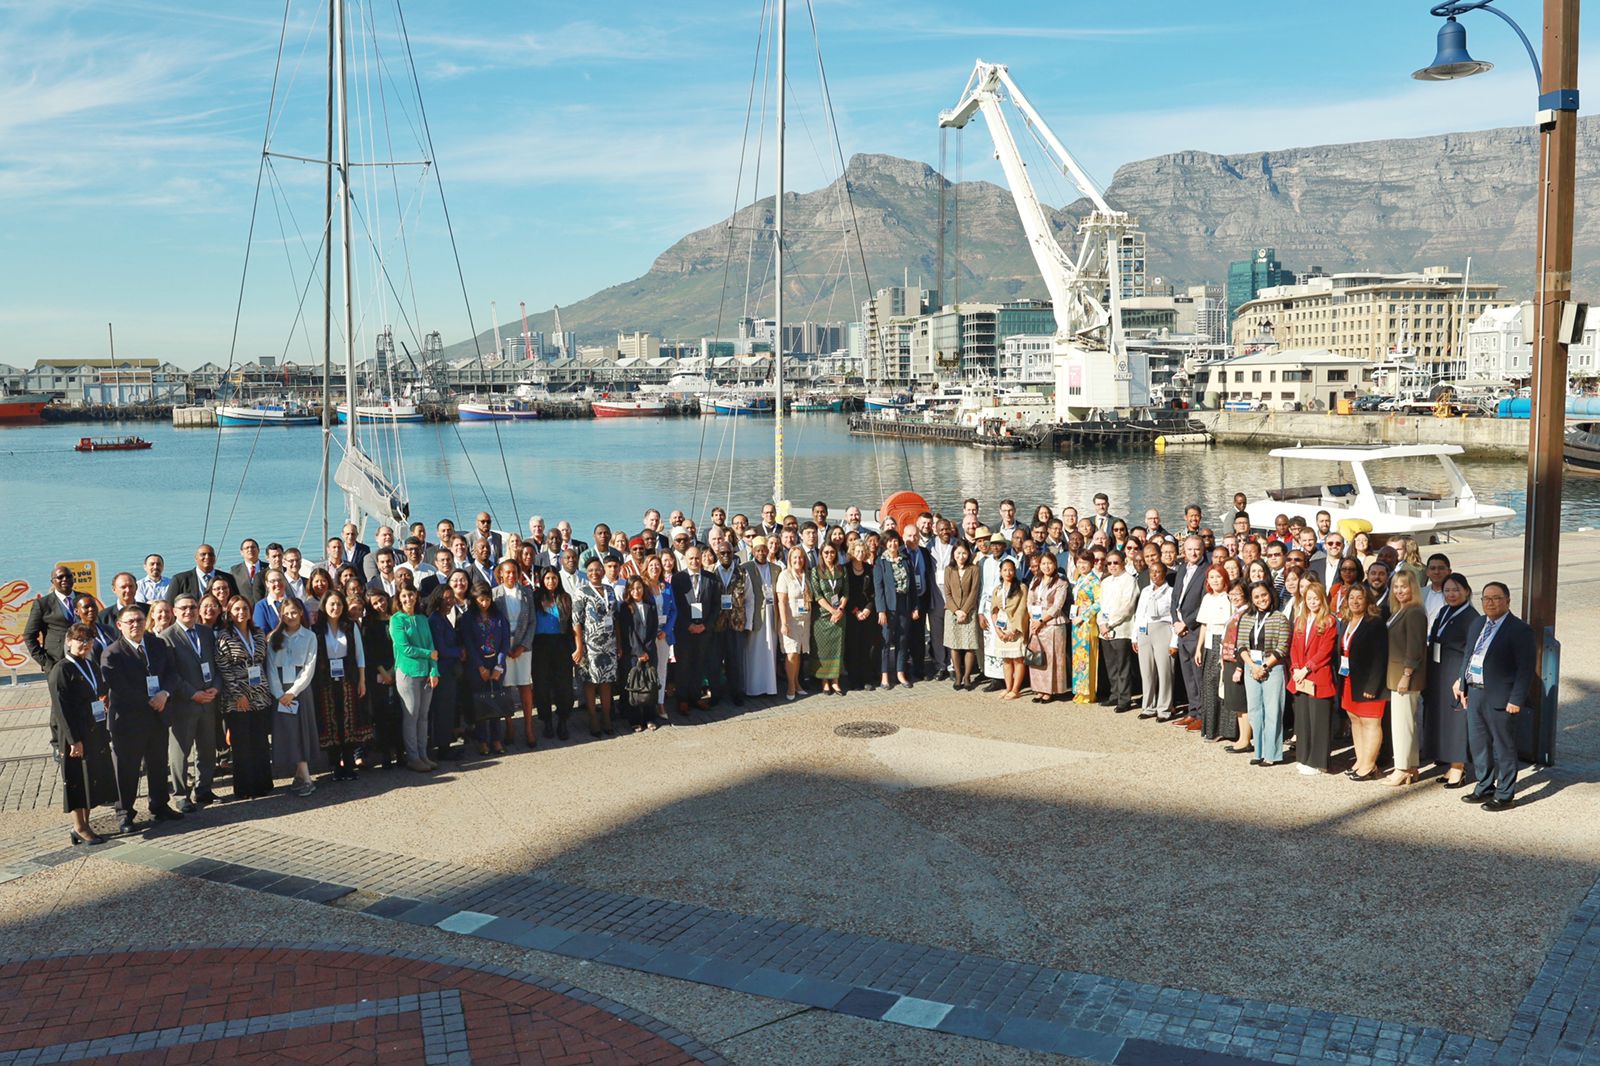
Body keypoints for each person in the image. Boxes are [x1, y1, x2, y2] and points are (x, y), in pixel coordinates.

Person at [1455, 582, 1536, 810]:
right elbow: (1468, 656)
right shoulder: (1478, 623)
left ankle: (1505, 793)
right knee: (1479, 744)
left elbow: (1526, 668)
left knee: (1504, 746)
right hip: (1475, 693)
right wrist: (1463, 684)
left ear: (1508, 601)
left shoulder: (1520, 629)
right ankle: (1484, 785)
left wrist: (1516, 700)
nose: (1490, 603)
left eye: (1496, 598)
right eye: (1486, 598)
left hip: (1502, 698)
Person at [50, 623, 117, 844]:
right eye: (80, 639)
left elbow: (99, 690)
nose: (84, 644)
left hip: (94, 729)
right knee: (77, 779)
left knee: (90, 778)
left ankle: (86, 823)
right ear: (69, 641)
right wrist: (73, 740)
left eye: (88, 640)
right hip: (75, 733)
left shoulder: (89, 665)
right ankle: (79, 826)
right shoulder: (61, 669)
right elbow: (61, 709)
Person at [161, 593, 222, 811]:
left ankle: (203, 789)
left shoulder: (206, 633)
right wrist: (192, 693)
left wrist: (216, 686)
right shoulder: (167, 636)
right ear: (175, 611)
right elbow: (171, 674)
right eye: (184, 608)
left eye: (193, 607)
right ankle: (180, 795)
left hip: (209, 699)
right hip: (184, 703)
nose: (189, 611)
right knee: (180, 751)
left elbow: (216, 663)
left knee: (207, 748)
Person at [1423, 573, 1478, 787]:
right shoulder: (1445, 611)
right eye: (1447, 591)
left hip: (1456, 671)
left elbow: (1472, 652)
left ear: (1466, 591)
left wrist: (1461, 679)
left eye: (1456, 590)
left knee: (1456, 721)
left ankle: (1458, 767)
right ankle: (1449, 765)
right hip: (1439, 670)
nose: (1451, 594)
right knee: (1443, 720)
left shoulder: (1472, 617)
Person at [216, 596, 274, 798]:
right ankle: (245, 788)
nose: (242, 612)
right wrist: (238, 694)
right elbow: (224, 668)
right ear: (229, 613)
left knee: (260, 741)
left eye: (245, 609)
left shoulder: (258, 634)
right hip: (237, 698)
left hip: (260, 695)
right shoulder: (224, 636)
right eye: (237, 609)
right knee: (242, 745)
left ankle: (263, 784)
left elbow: (264, 661)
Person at [312, 591, 371, 781]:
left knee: (349, 721)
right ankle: (336, 766)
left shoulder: (350, 626)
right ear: (324, 606)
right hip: (325, 681)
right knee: (330, 723)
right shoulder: (317, 629)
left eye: (338, 604)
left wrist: (362, 680)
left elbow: (360, 654)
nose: (335, 608)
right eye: (331, 604)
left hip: (348, 679)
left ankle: (349, 763)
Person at [266, 598, 319, 796]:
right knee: (288, 731)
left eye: (294, 612)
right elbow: (270, 667)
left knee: (301, 730)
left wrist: (293, 692)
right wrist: (280, 693)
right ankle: (300, 775)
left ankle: (305, 777)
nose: (290, 616)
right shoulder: (274, 638)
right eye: (286, 613)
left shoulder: (309, 637)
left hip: (300, 690)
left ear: (301, 613)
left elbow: (309, 667)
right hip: (280, 690)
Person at [1339, 584, 1389, 781]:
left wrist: (1372, 686)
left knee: (1370, 722)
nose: (1355, 601)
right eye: (1351, 598)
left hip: (1369, 683)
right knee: (1355, 720)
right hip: (1350, 680)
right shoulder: (1347, 621)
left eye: (1359, 598)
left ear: (1367, 600)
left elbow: (1380, 657)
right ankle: (1360, 761)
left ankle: (1369, 765)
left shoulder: (1374, 623)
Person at [1237, 581, 1290, 766]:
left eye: (1264, 595)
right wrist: (1253, 666)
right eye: (1257, 597)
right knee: (1254, 711)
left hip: (1272, 668)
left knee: (1273, 711)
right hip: (1251, 667)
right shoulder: (1246, 617)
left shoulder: (1280, 617)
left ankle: (1272, 754)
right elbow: (1241, 645)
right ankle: (1258, 751)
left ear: (1270, 594)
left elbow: (1282, 647)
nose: (1261, 599)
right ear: (1252, 599)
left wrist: (1264, 667)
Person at [1289, 581, 1338, 775]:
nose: (1312, 602)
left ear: (1322, 599)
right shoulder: (1301, 620)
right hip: (1300, 676)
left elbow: (1325, 651)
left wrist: (1306, 668)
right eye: (1308, 598)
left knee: (1319, 721)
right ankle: (1304, 756)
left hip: (1318, 675)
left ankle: (1318, 761)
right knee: (1303, 719)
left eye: (1315, 598)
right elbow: (1294, 646)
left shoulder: (1329, 621)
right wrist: (1295, 668)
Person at [1385, 571, 1429, 786]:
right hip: (1397, 675)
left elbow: (1415, 648)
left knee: (1402, 725)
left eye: (1404, 586)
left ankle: (1401, 768)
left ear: (1413, 587)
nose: (1399, 591)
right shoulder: (1400, 610)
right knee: (1406, 723)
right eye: (1396, 587)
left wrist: (1406, 675)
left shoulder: (1414, 612)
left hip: (1405, 677)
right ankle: (1410, 767)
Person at [389, 585, 439, 773]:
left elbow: (431, 645)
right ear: (399, 599)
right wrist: (429, 655)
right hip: (408, 673)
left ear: (416, 597)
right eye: (404, 596)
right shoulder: (396, 620)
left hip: (426, 673)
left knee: (423, 716)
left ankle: (423, 754)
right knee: (411, 716)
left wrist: (434, 671)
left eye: (411, 595)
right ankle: (413, 757)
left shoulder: (422, 619)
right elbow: (405, 648)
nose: (408, 599)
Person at [531, 567, 580, 739]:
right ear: (542, 580)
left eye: (554, 578)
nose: (551, 581)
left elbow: (573, 624)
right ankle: (547, 721)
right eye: (547, 578)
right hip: (540, 645)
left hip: (561, 644)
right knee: (542, 685)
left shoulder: (565, 598)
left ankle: (562, 720)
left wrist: (577, 647)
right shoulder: (535, 597)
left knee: (563, 685)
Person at [576, 559, 623, 734]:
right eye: (590, 570)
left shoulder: (610, 590)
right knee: (590, 682)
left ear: (603, 571)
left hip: (609, 643)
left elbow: (616, 617)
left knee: (606, 682)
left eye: (597, 570)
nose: (594, 573)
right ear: (586, 573)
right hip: (590, 645)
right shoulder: (581, 592)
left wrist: (618, 642)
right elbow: (576, 621)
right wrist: (579, 646)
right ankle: (593, 717)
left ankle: (606, 716)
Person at [462, 582, 511, 753]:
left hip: (496, 664)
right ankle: (482, 739)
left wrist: (499, 665)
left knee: (496, 701)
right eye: (481, 600)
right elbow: (468, 643)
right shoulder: (468, 618)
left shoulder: (498, 615)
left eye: (487, 599)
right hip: (477, 666)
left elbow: (505, 640)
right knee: (481, 703)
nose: (484, 603)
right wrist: (480, 667)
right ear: (474, 600)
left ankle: (496, 738)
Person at [492, 560, 536, 747]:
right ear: (501, 574)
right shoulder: (495, 595)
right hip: (504, 647)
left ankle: (528, 728)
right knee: (506, 688)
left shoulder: (526, 593)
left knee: (525, 686)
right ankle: (509, 727)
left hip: (522, 646)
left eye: (514, 572)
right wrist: (503, 648)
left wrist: (523, 646)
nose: (511, 576)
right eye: (507, 572)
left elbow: (532, 622)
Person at [672, 550, 719, 710]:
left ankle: (696, 696)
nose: (694, 561)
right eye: (691, 558)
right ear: (685, 559)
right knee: (683, 665)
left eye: (697, 558)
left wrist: (705, 625)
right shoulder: (678, 579)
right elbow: (675, 606)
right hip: (685, 630)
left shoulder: (711, 578)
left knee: (699, 663)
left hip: (704, 629)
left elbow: (716, 606)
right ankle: (682, 699)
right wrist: (688, 625)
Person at [1170, 536, 1207, 726]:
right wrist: (1176, 621)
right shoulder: (1182, 568)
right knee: (1187, 673)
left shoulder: (1206, 570)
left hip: (1195, 629)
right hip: (1180, 629)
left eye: (1197, 549)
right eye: (1189, 549)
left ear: (1202, 550)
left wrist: (1186, 623)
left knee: (1197, 672)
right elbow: (1175, 597)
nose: (1193, 553)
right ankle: (1193, 710)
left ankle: (1202, 714)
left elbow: (1204, 603)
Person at [1192, 566, 1233, 739]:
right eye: (1211, 577)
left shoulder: (1229, 598)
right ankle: (1210, 728)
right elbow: (1204, 624)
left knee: (1221, 685)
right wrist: (1199, 648)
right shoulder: (1207, 598)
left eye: (1218, 577)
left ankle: (1224, 729)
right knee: (1208, 685)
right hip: (1209, 642)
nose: (1215, 580)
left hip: (1223, 641)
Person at [1133, 561, 1177, 721]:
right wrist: (1135, 635)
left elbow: (1174, 617)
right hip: (1145, 631)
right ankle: (1148, 706)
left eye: (1158, 572)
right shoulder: (1145, 591)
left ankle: (1164, 708)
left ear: (1164, 573)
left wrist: (1174, 641)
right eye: (1152, 572)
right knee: (1147, 671)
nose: (1154, 575)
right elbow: (1139, 613)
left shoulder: (1171, 592)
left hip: (1163, 630)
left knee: (1165, 671)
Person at [873, 532, 917, 690]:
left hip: (904, 603)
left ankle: (900, 673)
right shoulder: (881, 562)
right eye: (889, 542)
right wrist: (881, 610)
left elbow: (912, 586)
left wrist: (915, 607)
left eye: (895, 541)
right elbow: (878, 589)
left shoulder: (906, 559)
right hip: (888, 606)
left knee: (902, 639)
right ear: (885, 544)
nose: (893, 544)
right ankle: (884, 675)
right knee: (886, 641)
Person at [1097, 551, 1139, 713]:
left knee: (1123, 666)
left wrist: (1110, 624)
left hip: (1121, 629)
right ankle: (1114, 694)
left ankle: (1124, 698)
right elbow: (1101, 604)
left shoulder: (1130, 581)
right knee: (1111, 665)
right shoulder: (1106, 582)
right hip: (1105, 629)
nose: (1112, 566)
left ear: (1123, 562)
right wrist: (1102, 623)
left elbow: (1127, 607)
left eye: (1116, 562)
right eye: (1109, 563)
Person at [1026, 552, 1071, 703]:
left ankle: (1050, 690)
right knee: (1037, 657)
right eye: (1043, 563)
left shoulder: (1061, 582)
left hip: (1053, 624)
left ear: (1055, 564)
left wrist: (1042, 620)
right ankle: (1038, 688)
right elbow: (1030, 601)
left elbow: (1057, 606)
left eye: (1049, 563)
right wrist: (1033, 619)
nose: (1047, 566)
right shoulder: (1035, 580)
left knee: (1052, 658)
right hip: (1036, 623)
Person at [428, 583, 466, 759]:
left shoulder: (443, 618)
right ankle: (442, 748)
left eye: (452, 597)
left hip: (450, 670)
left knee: (448, 708)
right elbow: (440, 648)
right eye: (446, 598)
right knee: (443, 710)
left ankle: (445, 744)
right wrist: (459, 652)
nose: (450, 601)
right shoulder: (435, 619)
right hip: (443, 670)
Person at [362, 591, 399, 768]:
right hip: (378, 673)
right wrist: (383, 671)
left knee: (398, 714)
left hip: (397, 668)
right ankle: (385, 754)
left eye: (382, 600)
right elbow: (369, 651)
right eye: (375, 603)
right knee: (382, 714)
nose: (380, 605)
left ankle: (400, 752)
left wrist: (393, 669)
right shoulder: (369, 625)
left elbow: (400, 646)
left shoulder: (395, 619)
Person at [710, 543, 748, 706]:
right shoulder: (711, 572)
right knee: (715, 661)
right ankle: (716, 694)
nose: (726, 555)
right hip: (716, 624)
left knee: (735, 661)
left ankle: (736, 693)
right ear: (717, 554)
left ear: (733, 553)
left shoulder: (742, 572)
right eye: (722, 552)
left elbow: (750, 599)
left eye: (729, 552)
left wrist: (748, 623)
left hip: (736, 622)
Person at [984, 558, 1028, 700]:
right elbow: (994, 610)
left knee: (1018, 659)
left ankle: (1016, 689)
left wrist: (1013, 630)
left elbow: (1022, 610)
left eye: (1010, 570)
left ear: (1014, 571)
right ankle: (1008, 687)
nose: (1008, 572)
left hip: (1016, 627)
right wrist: (998, 631)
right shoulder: (998, 589)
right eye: (1005, 570)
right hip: (1002, 627)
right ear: (1000, 572)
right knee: (1006, 660)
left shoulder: (1021, 588)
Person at [24, 564, 78, 677]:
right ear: (52, 581)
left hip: (84, 660)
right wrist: (46, 663)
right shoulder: (42, 604)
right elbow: (29, 636)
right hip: (57, 663)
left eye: (68, 576)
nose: (65, 579)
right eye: (60, 577)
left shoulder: (85, 599)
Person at [621, 577, 661, 731]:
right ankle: (635, 719)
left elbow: (654, 626)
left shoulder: (650, 604)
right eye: (633, 589)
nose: (636, 592)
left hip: (650, 651)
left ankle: (650, 717)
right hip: (633, 653)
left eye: (639, 588)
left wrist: (648, 648)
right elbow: (628, 632)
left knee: (650, 685)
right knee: (635, 686)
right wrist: (639, 651)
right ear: (628, 591)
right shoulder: (626, 607)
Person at [809, 543, 848, 695]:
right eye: (826, 553)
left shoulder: (841, 569)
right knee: (822, 650)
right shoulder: (816, 571)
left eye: (832, 552)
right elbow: (817, 595)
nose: (829, 555)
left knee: (838, 649)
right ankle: (824, 681)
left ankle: (836, 681)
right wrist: (832, 610)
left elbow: (846, 592)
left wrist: (840, 610)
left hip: (839, 616)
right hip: (822, 617)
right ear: (821, 554)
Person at [775, 546, 813, 701]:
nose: (798, 560)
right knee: (791, 654)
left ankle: (797, 683)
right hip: (790, 620)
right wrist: (784, 623)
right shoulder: (785, 575)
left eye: (801, 557)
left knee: (798, 654)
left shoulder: (805, 574)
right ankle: (790, 686)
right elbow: (781, 601)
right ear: (790, 559)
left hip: (804, 620)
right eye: (795, 557)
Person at [942, 540, 980, 690]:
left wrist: (964, 610)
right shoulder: (949, 569)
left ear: (969, 554)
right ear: (953, 554)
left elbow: (974, 592)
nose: (961, 556)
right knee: (955, 645)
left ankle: (967, 676)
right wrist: (956, 611)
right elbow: (947, 592)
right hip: (952, 612)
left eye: (964, 553)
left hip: (969, 612)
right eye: (958, 553)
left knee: (970, 646)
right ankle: (958, 675)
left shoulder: (974, 569)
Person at [841, 539, 877, 693]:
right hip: (852, 614)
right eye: (857, 551)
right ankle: (854, 680)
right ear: (852, 552)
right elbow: (845, 593)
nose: (860, 554)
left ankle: (867, 678)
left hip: (868, 613)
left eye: (863, 551)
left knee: (867, 647)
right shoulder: (845, 570)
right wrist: (856, 611)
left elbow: (875, 592)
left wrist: (868, 609)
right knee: (853, 647)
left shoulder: (870, 569)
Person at [1067, 552, 1100, 704]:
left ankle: (1088, 693)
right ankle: (1079, 690)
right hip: (1077, 622)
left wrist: (1084, 615)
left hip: (1088, 623)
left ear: (1092, 564)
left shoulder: (1094, 581)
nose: (1082, 565)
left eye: (1085, 563)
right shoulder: (1080, 579)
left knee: (1087, 656)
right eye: (1079, 562)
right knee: (1078, 657)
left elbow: (1099, 602)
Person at [164, 544, 238, 604]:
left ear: (215, 558)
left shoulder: (228, 578)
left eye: (210, 554)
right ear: (196, 558)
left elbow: (235, 601)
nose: (207, 557)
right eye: (203, 554)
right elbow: (169, 605)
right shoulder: (180, 580)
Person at [231, 538, 267, 605]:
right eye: (247, 548)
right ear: (241, 552)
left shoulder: (268, 568)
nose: (250, 550)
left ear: (258, 550)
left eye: (253, 547)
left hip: (265, 608)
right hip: (245, 609)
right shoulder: (235, 571)